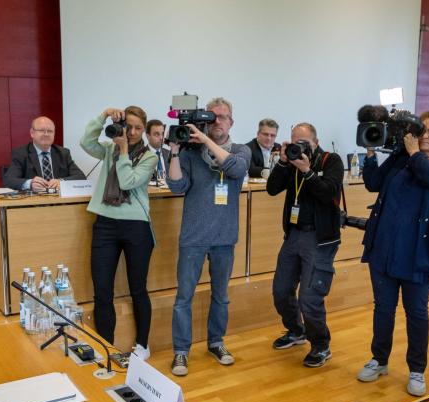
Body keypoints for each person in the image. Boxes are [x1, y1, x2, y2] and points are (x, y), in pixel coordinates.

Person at [356, 110, 429, 396]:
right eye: (421, 130)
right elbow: (373, 183)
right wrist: (370, 150)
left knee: (416, 312)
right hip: (384, 247)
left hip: (420, 253)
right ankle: (379, 359)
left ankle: (417, 369)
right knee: (383, 308)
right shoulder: (402, 158)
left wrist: (414, 153)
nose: (424, 136)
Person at [166, 97, 251, 376]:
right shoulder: (191, 154)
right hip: (193, 236)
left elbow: (235, 169)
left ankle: (216, 342)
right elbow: (177, 186)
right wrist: (176, 152)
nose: (218, 122)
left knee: (221, 297)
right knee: (184, 298)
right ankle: (181, 351)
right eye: (212, 117)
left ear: (231, 122)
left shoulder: (241, 150)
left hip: (225, 237)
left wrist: (204, 139)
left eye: (223, 117)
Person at [80, 106, 158, 359]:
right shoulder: (109, 149)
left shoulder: (150, 157)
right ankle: (106, 346)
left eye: (138, 128)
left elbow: (127, 182)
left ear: (144, 130)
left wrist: (124, 150)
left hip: (136, 226)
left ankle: (143, 345)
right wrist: (102, 116)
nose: (133, 132)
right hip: (105, 224)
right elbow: (86, 141)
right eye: (129, 127)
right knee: (102, 291)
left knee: (138, 288)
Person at [266, 123, 344, 368]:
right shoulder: (290, 161)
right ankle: (296, 330)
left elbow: (328, 193)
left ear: (315, 141)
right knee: (281, 291)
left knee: (309, 298)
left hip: (320, 239)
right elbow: (271, 189)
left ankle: (321, 345)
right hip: (294, 235)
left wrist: (308, 171)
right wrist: (282, 162)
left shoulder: (331, 161)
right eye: (294, 141)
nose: (299, 147)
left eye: (304, 143)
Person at [1, 116, 86, 191]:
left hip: (59, 202)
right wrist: (30, 183)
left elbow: (81, 177)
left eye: (50, 131)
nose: (46, 134)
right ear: (32, 133)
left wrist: (61, 182)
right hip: (33, 204)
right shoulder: (21, 154)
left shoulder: (63, 153)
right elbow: (8, 180)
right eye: (42, 130)